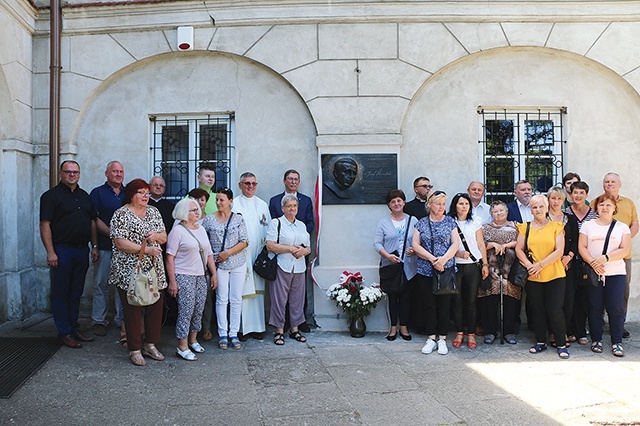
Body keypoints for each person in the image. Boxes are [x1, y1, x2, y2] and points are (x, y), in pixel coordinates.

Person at [39, 161, 99, 348]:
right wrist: (50, 252)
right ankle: (64, 332)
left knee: (76, 293)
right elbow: (45, 224)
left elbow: (92, 222)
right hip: (62, 250)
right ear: (60, 173)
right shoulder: (51, 196)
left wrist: (94, 246)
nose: (72, 175)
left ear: (79, 174)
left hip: (82, 250)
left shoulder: (84, 196)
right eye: (68, 172)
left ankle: (74, 328)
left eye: (75, 172)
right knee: (61, 293)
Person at [109, 179, 167, 366]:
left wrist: (156, 236)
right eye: (141, 192)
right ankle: (134, 349)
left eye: (147, 192)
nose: (145, 196)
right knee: (133, 309)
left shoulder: (154, 212)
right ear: (131, 194)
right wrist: (146, 250)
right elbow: (120, 242)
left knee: (155, 308)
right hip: (129, 270)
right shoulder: (121, 214)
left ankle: (150, 345)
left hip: (154, 269)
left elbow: (164, 236)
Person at [515, 195, 568, 359]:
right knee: (537, 311)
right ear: (530, 210)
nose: (538, 210)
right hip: (533, 276)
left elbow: (559, 251)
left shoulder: (557, 226)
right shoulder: (525, 227)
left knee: (555, 311)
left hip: (554, 275)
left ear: (547, 208)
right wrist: (530, 266)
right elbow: (519, 249)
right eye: (534, 207)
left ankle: (561, 344)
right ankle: (540, 342)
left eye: (540, 207)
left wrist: (540, 265)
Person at [579, 193, 631, 357]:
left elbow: (625, 249)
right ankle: (596, 340)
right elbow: (582, 247)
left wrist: (605, 258)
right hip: (594, 273)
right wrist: (594, 263)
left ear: (615, 208)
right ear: (596, 208)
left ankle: (617, 342)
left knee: (615, 308)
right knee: (595, 307)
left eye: (608, 205)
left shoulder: (622, 227)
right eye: (601, 205)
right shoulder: (588, 225)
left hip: (615, 273)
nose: (605, 208)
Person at [166, 198, 218, 361]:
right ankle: (182, 346)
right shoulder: (177, 231)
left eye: (197, 209)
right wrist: (172, 281)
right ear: (183, 213)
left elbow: (208, 253)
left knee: (198, 309)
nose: (198, 212)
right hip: (184, 275)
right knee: (186, 311)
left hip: (201, 275)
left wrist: (213, 273)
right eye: (193, 210)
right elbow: (169, 258)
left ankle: (193, 340)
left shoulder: (201, 229)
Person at [412, 191, 460, 355]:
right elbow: (416, 245)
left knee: (444, 306)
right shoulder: (421, 223)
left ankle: (442, 339)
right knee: (429, 305)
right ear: (430, 205)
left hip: (445, 270)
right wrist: (434, 260)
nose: (441, 207)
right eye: (438, 203)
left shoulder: (450, 222)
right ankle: (431, 338)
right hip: (426, 270)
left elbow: (455, 244)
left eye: (443, 204)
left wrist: (443, 260)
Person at [202, 187, 249, 350]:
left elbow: (244, 241)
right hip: (219, 265)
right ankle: (222, 333)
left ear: (230, 202)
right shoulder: (209, 220)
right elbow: (204, 242)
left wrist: (228, 252)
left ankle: (233, 333)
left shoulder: (238, 219)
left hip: (237, 263)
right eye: (217, 200)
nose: (218, 202)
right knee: (222, 299)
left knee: (236, 299)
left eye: (222, 200)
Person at [269, 169, 315, 332]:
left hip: (300, 251)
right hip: (282, 255)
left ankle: (298, 322)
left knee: (298, 292)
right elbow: (272, 224)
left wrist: (301, 247)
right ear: (284, 181)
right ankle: (282, 325)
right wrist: (288, 246)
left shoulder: (306, 201)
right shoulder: (274, 201)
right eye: (290, 179)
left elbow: (310, 223)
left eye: (296, 179)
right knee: (280, 294)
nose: (293, 182)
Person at [266, 194, 311, 346]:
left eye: (295, 206)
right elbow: (270, 245)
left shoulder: (302, 225)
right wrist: (290, 249)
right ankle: (279, 331)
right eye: (289, 206)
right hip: (282, 265)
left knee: (297, 299)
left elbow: (308, 247)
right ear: (283, 208)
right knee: (279, 299)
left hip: (299, 267)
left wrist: (305, 252)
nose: (292, 209)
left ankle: (295, 329)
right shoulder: (276, 223)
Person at [373, 189, 418, 341]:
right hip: (391, 266)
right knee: (392, 298)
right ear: (389, 205)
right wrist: (387, 255)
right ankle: (392, 328)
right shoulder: (384, 222)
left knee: (406, 298)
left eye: (399, 200)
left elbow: (420, 241)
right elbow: (377, 243)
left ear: (404, 202)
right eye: (393, 201)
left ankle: (404, 327)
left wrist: (414, 249)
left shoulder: (413, 221)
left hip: (410, 266)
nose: (397, 204)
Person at [90, 161, 126, 339]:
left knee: (123, 286)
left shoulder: (128, 194)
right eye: (114, 171)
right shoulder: (98, 193)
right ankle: (98, 321)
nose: (118, 174)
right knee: (100, 284)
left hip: (126, 250)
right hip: (105, 246)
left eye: (120, 171)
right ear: (106, 173)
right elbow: (94, 220)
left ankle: (122, 320)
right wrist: (97, 245)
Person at [233, 172, 270, 341]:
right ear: (240, 185)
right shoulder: (234, 204)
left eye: (254, 183)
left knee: (258, 291)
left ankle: (258, 327)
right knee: (242, 290)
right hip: (241, 254)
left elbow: (267, 228)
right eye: (247, 183)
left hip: (258, 254)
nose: (250, 186)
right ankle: (241, 329)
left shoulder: (262, 205)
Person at [449, 193, 488, 349]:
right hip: (456, 265)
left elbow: (481, 244)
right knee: (457, 301)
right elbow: (447, 245)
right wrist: (457, 253)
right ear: (455, 206)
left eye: (466, 203)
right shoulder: (449, 222)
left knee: (471, 301)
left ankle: (471, 334)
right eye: (460, 203)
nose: (464, 206)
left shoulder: (475, 222)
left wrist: (485, 264)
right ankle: (459, 332)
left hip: (473, 265)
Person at [479, 201, 521, 344]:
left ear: (507, 212)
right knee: (490, 301)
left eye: (501, 210)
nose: (499, 213)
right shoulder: (485, 228)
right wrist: (492, 244)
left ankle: (508, 332)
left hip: (511, 269)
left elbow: (523, 242)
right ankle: (490, 331)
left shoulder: (516, 226)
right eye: (495, 211)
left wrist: (510, 245)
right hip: (491, 270)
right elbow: (479, 244)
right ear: (491, 214)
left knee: (510, 301)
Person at [603, 172, 638, 339]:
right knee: (600, 289)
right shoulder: (598, 201)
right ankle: (600, 323)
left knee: (622, 291)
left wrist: (623, 241)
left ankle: (618, 325)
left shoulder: (629, 203)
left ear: (619, 184)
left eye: (613, 181)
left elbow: (635, 224)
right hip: (602, 255)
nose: (610, 184)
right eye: (607, 181)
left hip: (624, 255)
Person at [564, 180, 597, 345]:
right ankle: (569, 330)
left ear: (586, 195)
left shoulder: (594, 214)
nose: (577, 196)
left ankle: (581, 331)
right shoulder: (565, 213)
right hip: (569, 261)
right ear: (570, 195)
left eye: (581, 193)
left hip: (586, 261)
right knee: (570, 297)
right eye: (575, 193)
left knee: (584, 298)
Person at [547, 187, 579, 347]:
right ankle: (552, 332)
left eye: (559, 198)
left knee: (568, 299)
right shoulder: (543, 217)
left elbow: (575, 241)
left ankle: (564, 331)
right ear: (548, 199)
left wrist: (568, 257)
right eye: (553, 198)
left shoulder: (570, 219)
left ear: (563, 200)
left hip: (568, 264)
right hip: (547, 263)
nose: (556, 201)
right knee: (552, 300)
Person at [187, 188, 215, 341]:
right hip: (187, 267)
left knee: (206, 299)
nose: (199, 203)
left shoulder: (209, 220)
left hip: (205, 266)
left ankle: (206, 328)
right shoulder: (181, 221)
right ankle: (189, 332)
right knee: (189, 301)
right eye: (196, 199)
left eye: (202, 200)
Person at [404, 176, 430, 333]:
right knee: (416, 291)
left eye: (429, 186)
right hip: (415, 253)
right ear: (416, 189)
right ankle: (417, 324)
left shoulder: (434, 205)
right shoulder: (409, 207)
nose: (428, 189)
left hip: (433, 253)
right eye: (424, 186)